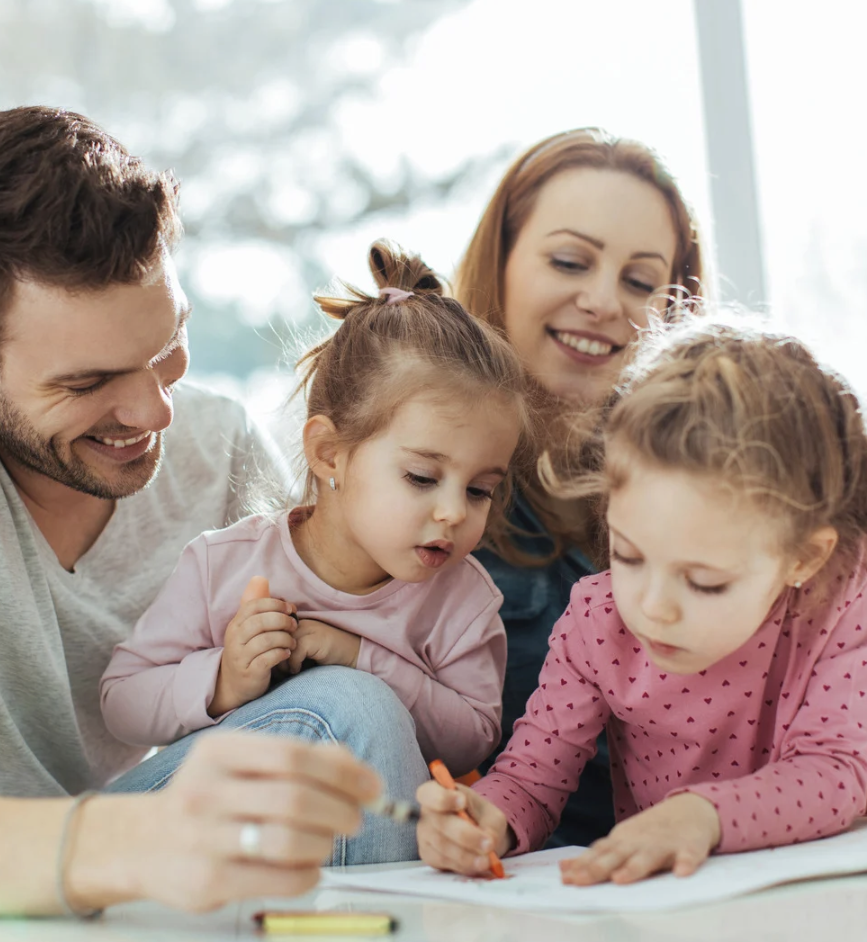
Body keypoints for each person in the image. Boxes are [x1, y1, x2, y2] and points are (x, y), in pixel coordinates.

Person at [0, 106, 427, 917]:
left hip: (150, 863)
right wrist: (129, 845)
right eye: (87, 384)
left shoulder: (218, 445)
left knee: (351, 711)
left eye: (167, 352)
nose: (156, 413)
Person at [416, 318, 867, 884]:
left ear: (804, 558)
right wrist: (486, 819)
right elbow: (531, 780)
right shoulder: (598, 618)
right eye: (629, 556)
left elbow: (837, 770)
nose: (653, 606)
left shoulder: (844, 604)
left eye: (704, 582)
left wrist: (699, 816)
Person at [101, 241, 531, 778]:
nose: (452, 512)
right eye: (422, 477)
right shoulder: (223, 566)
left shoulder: (462, 601)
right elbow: (121, 703)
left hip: (363, 838)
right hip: (212, 829)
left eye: (479, 490)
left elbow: (473, 742)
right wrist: (224, 679)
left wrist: (359, 659)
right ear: (330, 453)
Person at [454, 127, 706, 845]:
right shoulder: (411, 483)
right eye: (570, 261)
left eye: (638, 281)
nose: (602, 301)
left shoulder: (715, 489)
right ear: (499, 261)